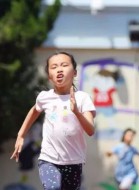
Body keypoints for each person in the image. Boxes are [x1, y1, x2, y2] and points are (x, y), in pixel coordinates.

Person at [10, 51, 96, 190]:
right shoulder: (44, 97)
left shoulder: (82, 98)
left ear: (74, 72)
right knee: (53, 188)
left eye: (64, 65)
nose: (59, 69)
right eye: (54, 67)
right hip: (48, 159)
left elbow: (90, 130)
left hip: (74, 161)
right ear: (50, 76)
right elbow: (33, 111)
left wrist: (76, 112)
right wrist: (21, 135)